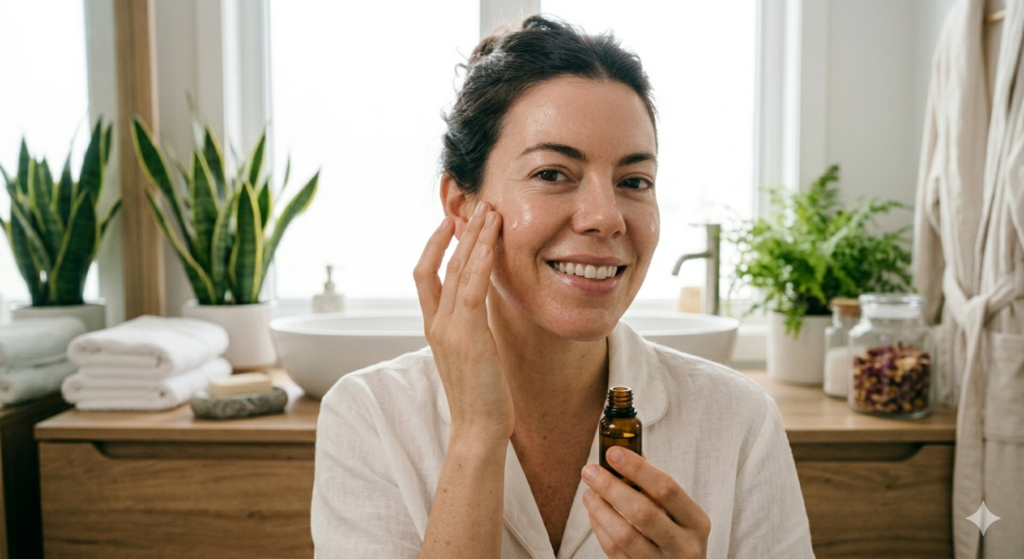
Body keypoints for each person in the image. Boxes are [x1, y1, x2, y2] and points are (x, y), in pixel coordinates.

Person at [312, 16, 814, 559]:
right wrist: (478, 436)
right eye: (552, 173)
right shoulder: (368, 417)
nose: (606, 217)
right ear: (462, 206)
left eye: (633, 182)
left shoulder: (739, 420)